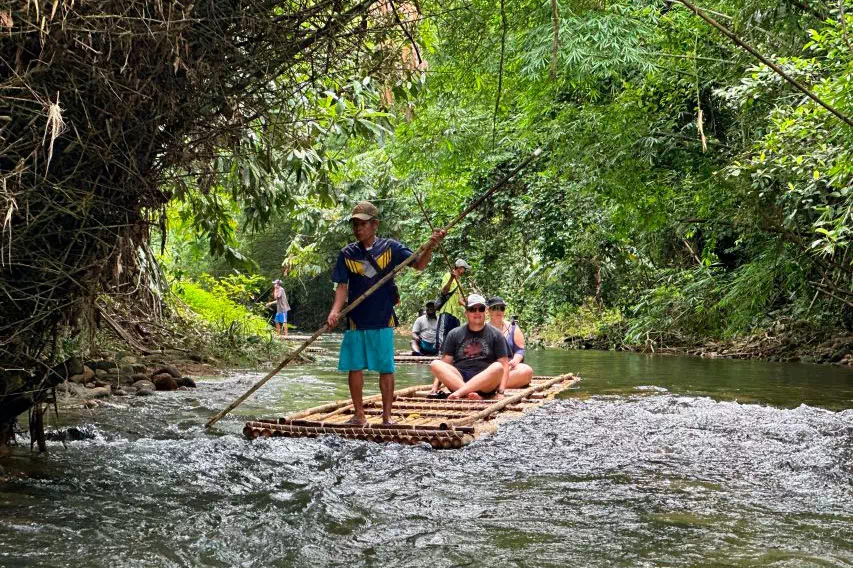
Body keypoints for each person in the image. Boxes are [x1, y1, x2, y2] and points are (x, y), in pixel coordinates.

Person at [327, 200, 445, 425]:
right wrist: (335, 311)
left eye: (362, 224)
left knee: (385, 367)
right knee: (355, 367)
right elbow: (342, 287)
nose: (358, 228)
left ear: (375, 225)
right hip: (355, 319)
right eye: (355, 225)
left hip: (382, 317)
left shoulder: (391, 248)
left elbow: (418, 265)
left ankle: (387, 417)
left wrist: (430, 246)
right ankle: (359, 415)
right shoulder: (347, 253)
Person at [429, 294, 510, 400]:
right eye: (472, 309)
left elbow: (504, 365)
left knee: (497, 367)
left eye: (480, 309)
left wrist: (501, 392)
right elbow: (445, 362)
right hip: (458, 380)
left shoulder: (496, 334)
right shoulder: (454, 333)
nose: (477, 313)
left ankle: (462, 392)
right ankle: (469, 394)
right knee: (435, 364)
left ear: (485, 311)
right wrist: (435, 386)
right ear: (466, 312)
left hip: (485, 384)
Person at [487, 296, 533, 388]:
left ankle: (490, 386)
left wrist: (515, 361)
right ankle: (487, 384)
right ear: (488, 310)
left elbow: (519, 350)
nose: (499, 311)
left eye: (502, 308)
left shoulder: (513, 327)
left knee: (527, 370)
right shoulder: (483, 328)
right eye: (495, 308)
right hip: (489, 369)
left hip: (509, 368)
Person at [435, 258, 470, 350]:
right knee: (442, 333)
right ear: (459, 268)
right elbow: (444, 292)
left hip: (456, 314)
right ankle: (439, 352)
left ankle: (452, 354)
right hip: (446, 310)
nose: (464, 271)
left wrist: (467, 305)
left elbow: (459, 300)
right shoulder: (448, 276)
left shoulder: (459, 282)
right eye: (464, 269)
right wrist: (451, 278)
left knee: (455, 335)